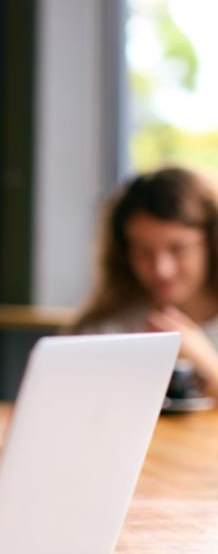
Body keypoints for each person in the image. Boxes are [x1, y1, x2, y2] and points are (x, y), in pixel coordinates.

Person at [73, 166, 218, 399]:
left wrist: (207, 364)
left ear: (211, 242)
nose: (162, 269)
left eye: (178, 248)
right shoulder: (106, 329)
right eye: (143, 252)